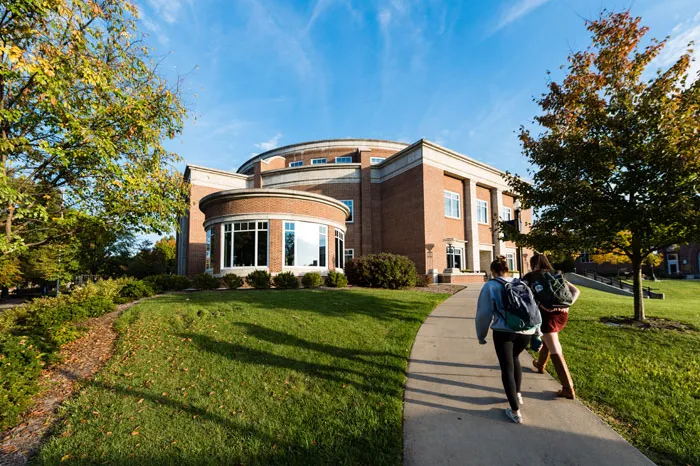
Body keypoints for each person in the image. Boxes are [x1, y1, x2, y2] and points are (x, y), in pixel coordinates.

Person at [475, 256, 539, 424]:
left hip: (504, 331)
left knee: (506, 368)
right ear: (508, 269)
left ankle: (515, 411)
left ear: (493, 271)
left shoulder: (491, 285)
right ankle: (518, 395)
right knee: (515, 358)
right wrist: (537, 333)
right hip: (526, 331)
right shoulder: (522, 283)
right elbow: (534, 308)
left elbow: (484, 313)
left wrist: (481, 335)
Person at [523, 253, 581, 399]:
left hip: (547, 315)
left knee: (555, 347)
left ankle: (568, 388)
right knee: (549, 340)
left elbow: (527, 297)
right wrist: (566, 306)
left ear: (533, 264)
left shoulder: (531, 277)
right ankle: (540, 364)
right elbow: (576, 291)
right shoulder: (557, 274)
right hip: (562, 314)